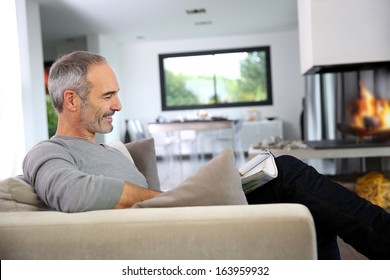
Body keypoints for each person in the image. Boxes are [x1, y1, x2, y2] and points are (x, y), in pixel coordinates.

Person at [23, 51, 390, 260]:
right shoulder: (48, 152)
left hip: (174, 214)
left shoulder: (103, 149)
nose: (119, 105)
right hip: (174, 224)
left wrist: (179, 194)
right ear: (71, 100)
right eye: (107, 96)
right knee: (288, 172)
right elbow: (73, 194)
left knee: (289, 181)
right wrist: (168, 199)